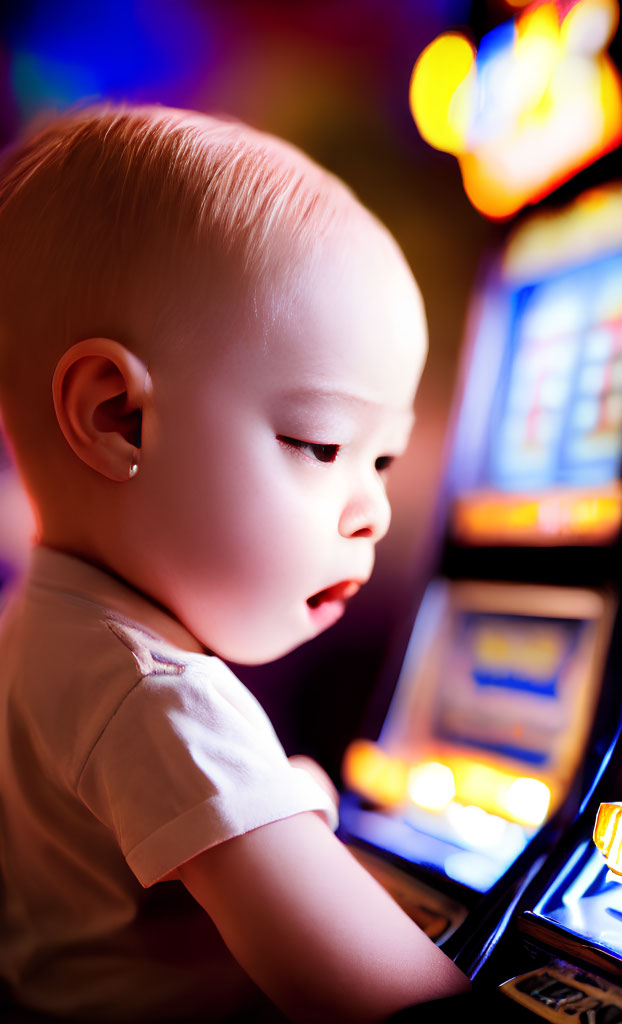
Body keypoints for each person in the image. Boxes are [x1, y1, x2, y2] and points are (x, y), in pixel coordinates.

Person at [0, 104, 470, 1023]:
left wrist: (266, 800)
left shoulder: (39, 626)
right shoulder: (157, 695)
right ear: (117, 419)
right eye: (322, 444)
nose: (371, 510)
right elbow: (400, 1004)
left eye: (385, 461)